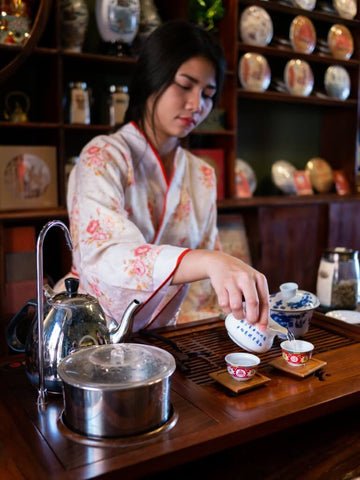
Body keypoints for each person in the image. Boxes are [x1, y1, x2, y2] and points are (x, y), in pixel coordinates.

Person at [57, 20, 270, 333]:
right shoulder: (102, 156)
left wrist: (239, 317)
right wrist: (210, 261)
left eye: (208, 94)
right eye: (185, 85)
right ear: (152, 79)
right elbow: (105, 255)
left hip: (172, 334)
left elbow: (203, 285)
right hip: (91, 331)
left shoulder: (203, 175)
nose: (197, 105)